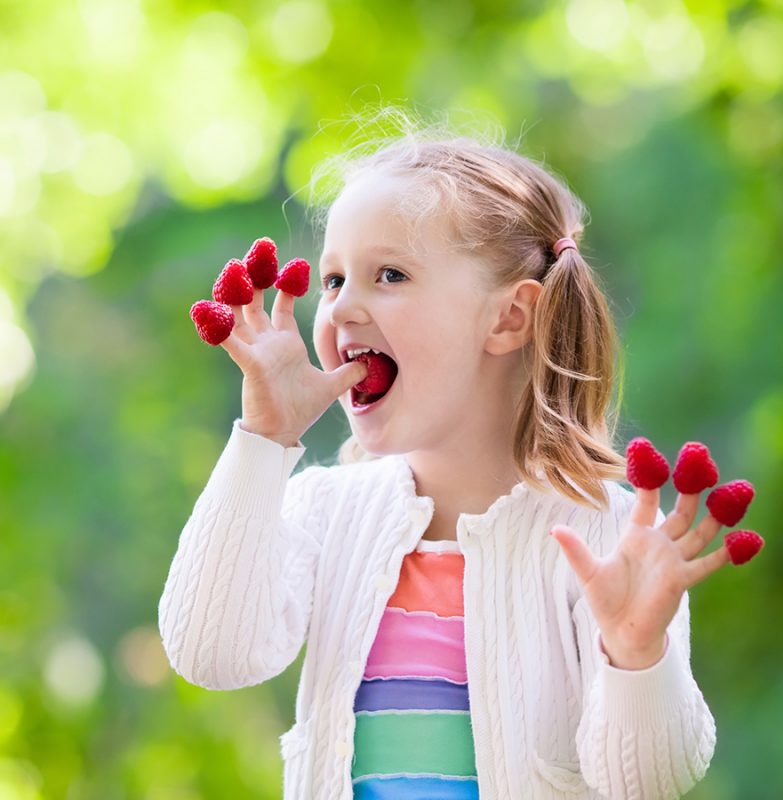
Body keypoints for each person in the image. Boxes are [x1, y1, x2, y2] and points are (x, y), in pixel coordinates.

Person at [158, 110, 723, 799]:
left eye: (388, 275)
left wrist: (637, 656)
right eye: (333, 280)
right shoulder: (325, 510)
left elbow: (651, 780)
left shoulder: (601, 532)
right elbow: (212, 654)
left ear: (508, 318)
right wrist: (263, 441)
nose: (340, 309)